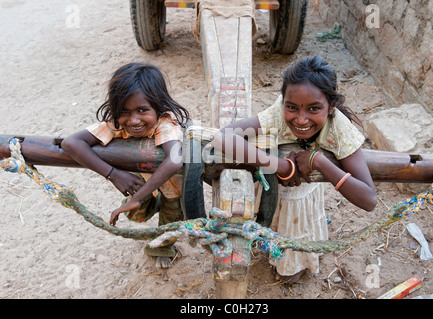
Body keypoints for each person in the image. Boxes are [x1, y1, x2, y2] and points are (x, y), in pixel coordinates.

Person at [211, 55, 377, 283]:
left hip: (304, 194)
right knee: (266, 220)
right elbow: (222, 137)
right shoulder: (279, 113)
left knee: (294, 240)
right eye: (292, 107)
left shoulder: (339, 128)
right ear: (283, 103)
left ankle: (293, 264)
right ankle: (267, 241)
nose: (301, 119)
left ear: (332, 107)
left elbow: (369, 199)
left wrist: (319, 162)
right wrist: (279, 165)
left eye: (314, 108)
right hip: (272, 182)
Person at [62, 62, 190, 269]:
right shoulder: (116, 123)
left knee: (172, 218)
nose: (133, 120)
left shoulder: (166, 122)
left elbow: (174, 160)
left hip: (173, 186)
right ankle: (149, 200)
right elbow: (70, 143)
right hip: (141, 180)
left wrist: (137, 198)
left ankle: (161, 248)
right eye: (124, 111)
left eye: (142, 110)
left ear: (159, 107)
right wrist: (113, 174)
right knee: (136, 216)